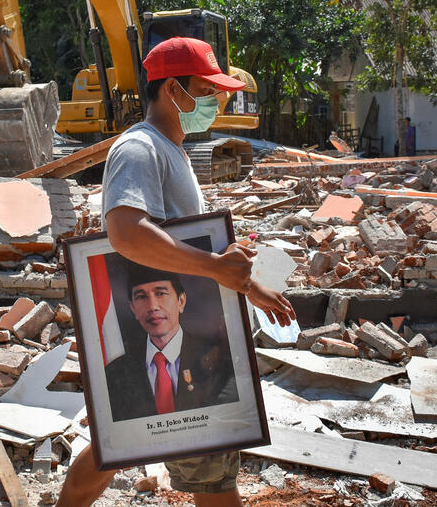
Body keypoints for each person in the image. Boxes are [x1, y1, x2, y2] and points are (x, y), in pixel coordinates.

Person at [56, 37, 296, 507]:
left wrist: (249, 286)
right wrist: (216, 268)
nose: (216, 101)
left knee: (115, 446)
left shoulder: (172, 150)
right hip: (178, 347)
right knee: (210, 477)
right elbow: (127, 232)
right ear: (172, 90)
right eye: (206, 91)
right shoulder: (140, 148)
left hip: (176, 342)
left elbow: (183, 247)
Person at [104, 262, 237, 422]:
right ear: (133, 309)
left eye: (160, 293)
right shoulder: (115, 373)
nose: (152, 306)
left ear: (181, 301)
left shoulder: (218, 359)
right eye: (141, 297)